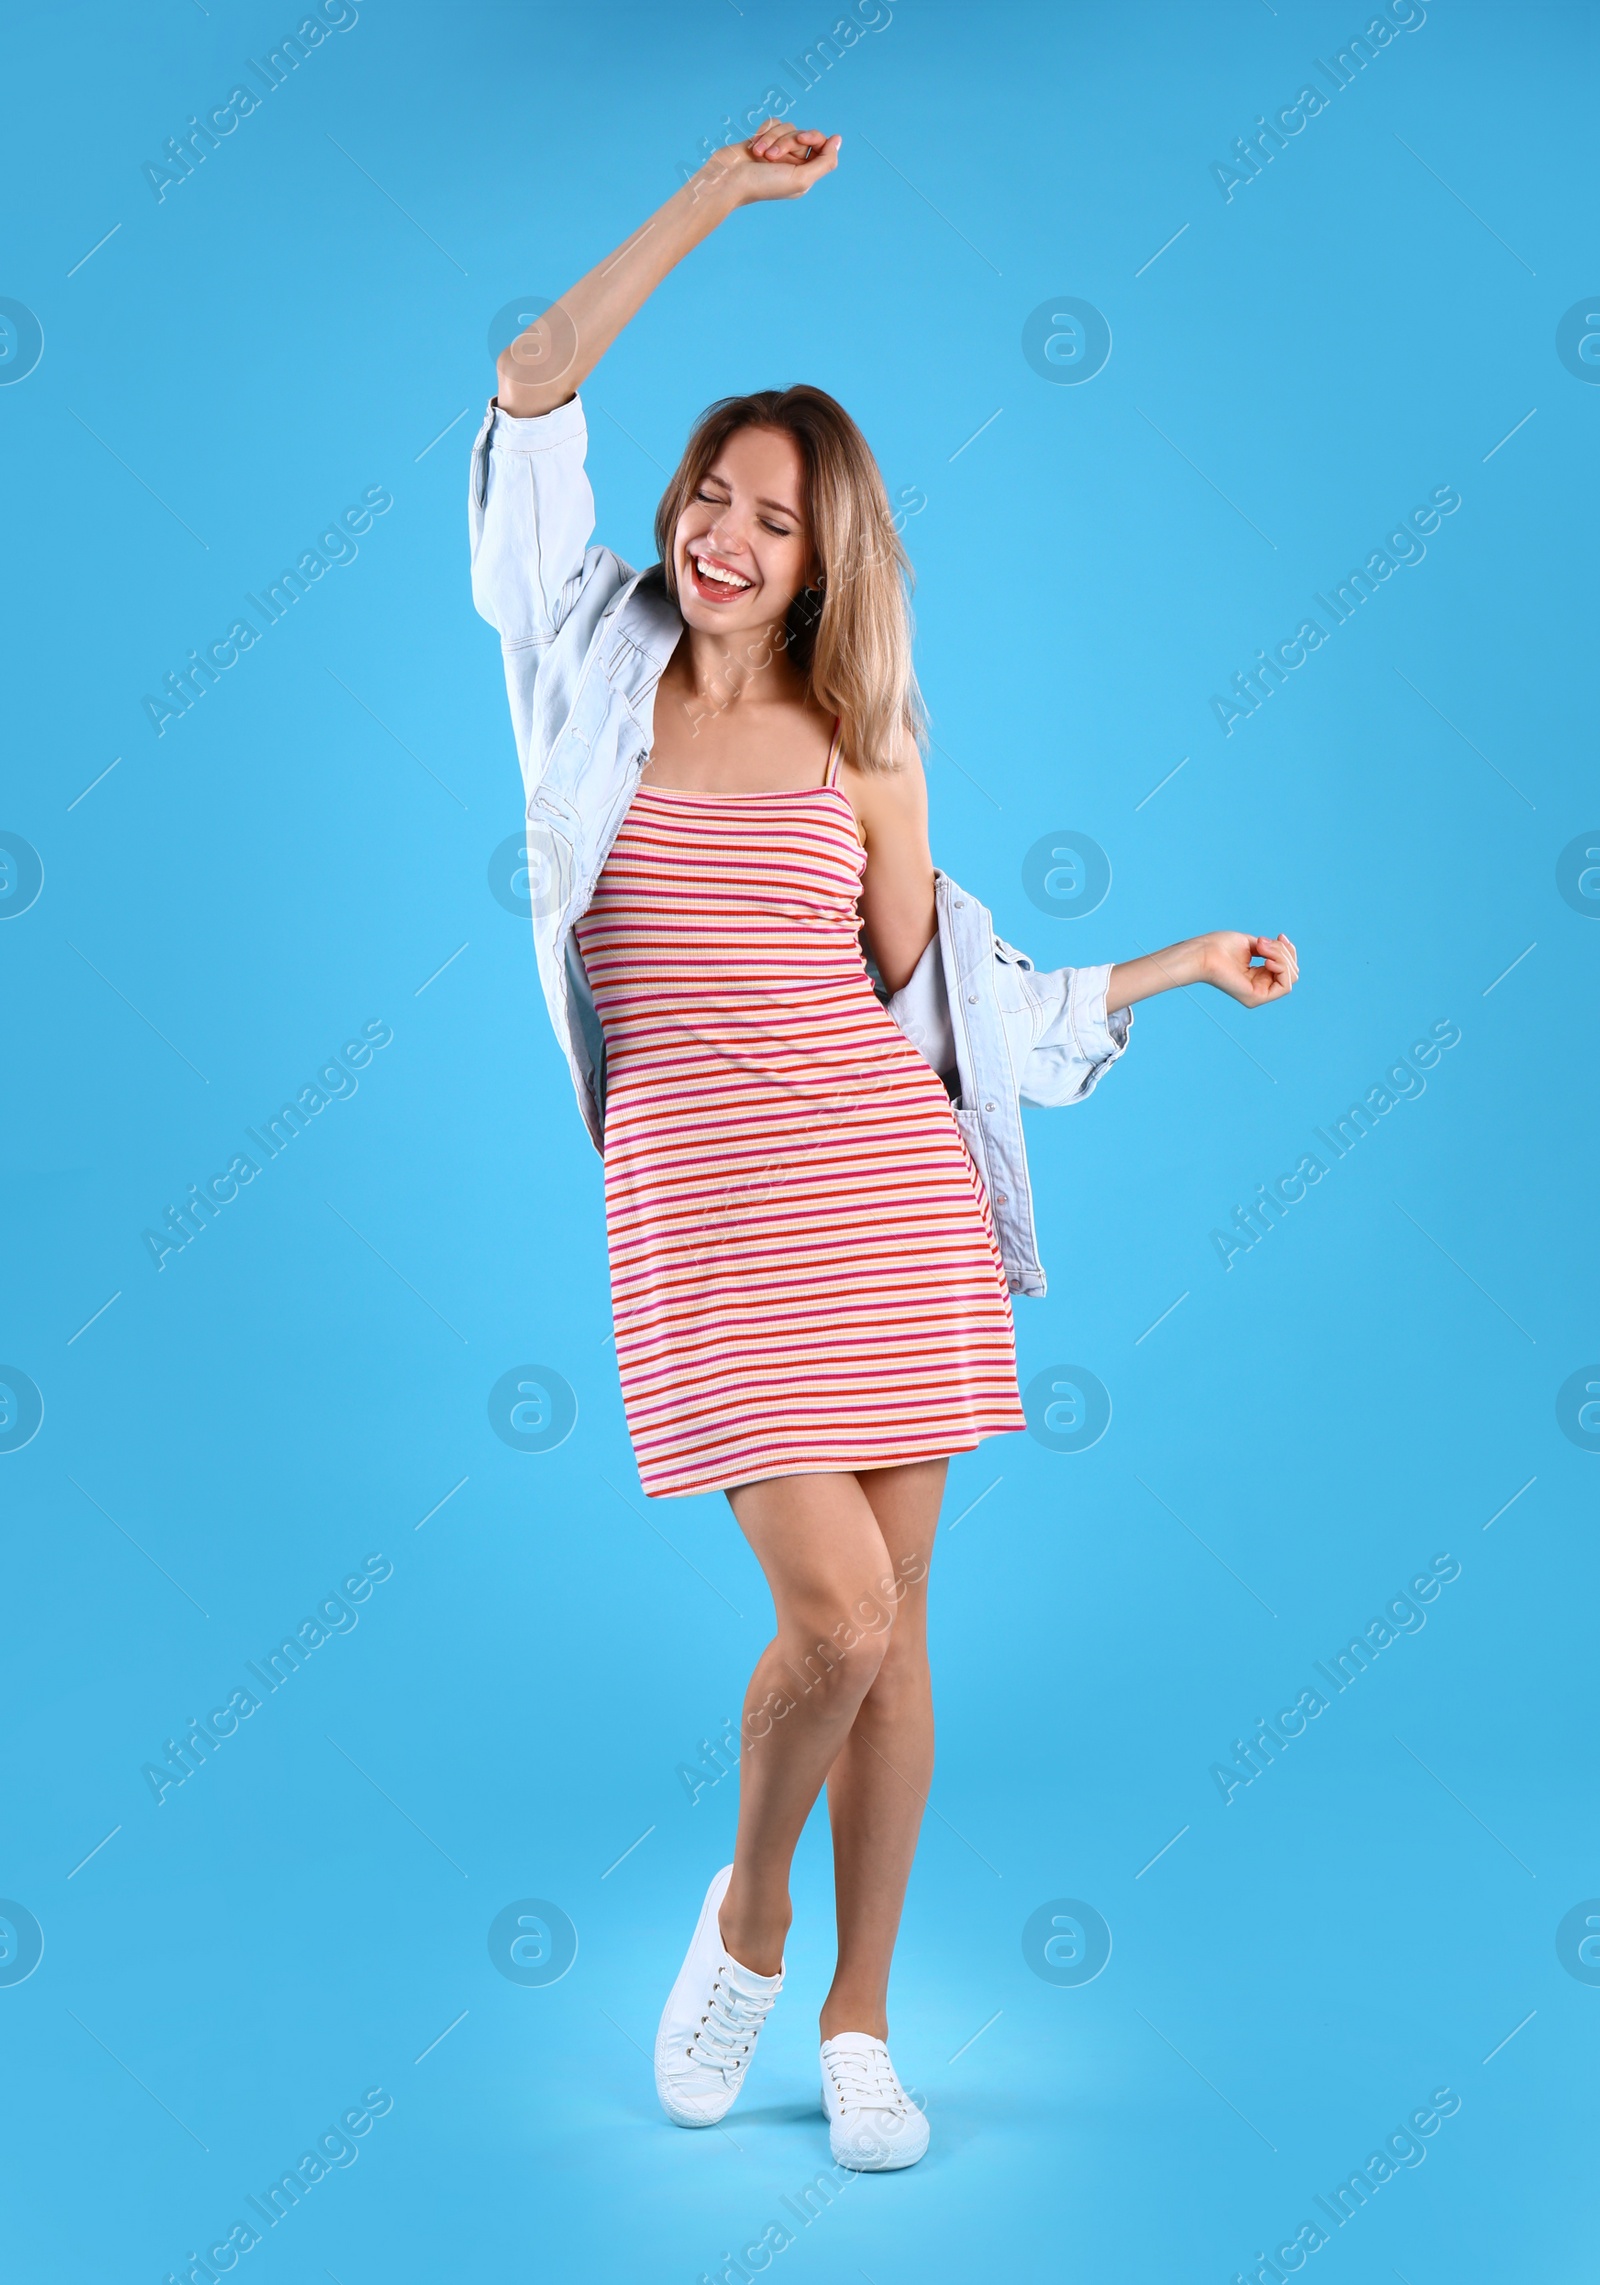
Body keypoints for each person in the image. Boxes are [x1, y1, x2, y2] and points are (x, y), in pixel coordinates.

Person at [470, 119, 1297, 2172]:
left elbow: (949, 1001)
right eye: (709, 491)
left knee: (896, 1635)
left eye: (771, 513)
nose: (724, 530)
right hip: (693, 1195)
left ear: (829, 552)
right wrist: (708, 202)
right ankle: (747, 1922)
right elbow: (528, 383)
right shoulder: (577, 655)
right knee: (826, 1622)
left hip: (880, 1188)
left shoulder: (868, 739)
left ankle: (857, 2020)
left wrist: (1171, 967)